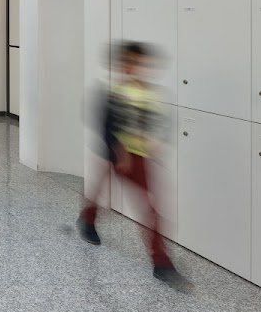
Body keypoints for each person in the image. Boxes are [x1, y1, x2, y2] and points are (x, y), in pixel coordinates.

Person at [78, 41, 185, 286]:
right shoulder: (112, 92)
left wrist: (157, 144)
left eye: (140, 63)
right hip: (113, 153)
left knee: (150, 208)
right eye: (130, 63)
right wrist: (119, 150)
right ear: (121, 66)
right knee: (98, 194)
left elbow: (159, 124)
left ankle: (161, 262)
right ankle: (87, 219)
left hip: (139, 157)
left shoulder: (153, 94)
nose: (136, 68)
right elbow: (104, 126)